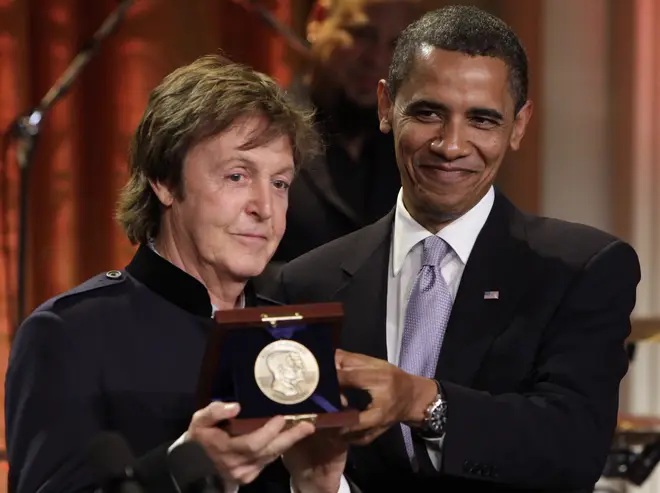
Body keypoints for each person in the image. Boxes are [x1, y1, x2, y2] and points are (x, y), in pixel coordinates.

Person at [274, 5, 642, 491]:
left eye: (482, 120)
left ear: (519, 125)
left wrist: (423, 401)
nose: (451, 145)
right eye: (428, 113)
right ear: (387, 106)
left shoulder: (580, 269)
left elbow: (572, 448)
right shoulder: (307, 282)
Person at [5, 54, 348, 493]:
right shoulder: (70, 334)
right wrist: (181, 468)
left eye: (280, 183)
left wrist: (318, 487)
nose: (265, 208)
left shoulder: (296, 337)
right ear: (164, 181)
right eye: (237, 175)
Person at [271, 0, 420, 263]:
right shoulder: (263, 133)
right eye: (362, 34)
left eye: (395, 45)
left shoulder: (412, 153)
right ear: (318, 20)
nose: (376, 59)